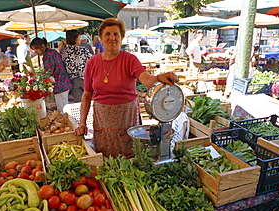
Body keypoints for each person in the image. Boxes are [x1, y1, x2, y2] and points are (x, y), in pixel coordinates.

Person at [74, 18, 179, 158]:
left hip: (127, 117)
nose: (112, 38)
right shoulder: (92, 62)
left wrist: (160, 77)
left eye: (116, 34)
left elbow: (147, 80)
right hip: (102, 119)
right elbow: (87, 94)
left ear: (122, 37)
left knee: (129, 157)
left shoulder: (130, 59)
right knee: (106, 159)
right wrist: (82, 123)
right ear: (101, 38)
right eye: (107, 34)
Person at [30, 37, 72, 111]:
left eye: (36, 49)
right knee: (64, 106)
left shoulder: (48, 55)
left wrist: (41, 79)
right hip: (64, 83)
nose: (35, 52)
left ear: (42, 46)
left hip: (60, 84)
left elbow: (48, 72)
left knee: (62, 108)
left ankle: (67, 121)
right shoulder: (52, 51)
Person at [60, 30, 92, 103]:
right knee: (88, 101)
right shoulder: (84, 50)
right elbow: (90, 63)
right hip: (85, 78)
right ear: (76, 39)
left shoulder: (64, 51)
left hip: (72, 79)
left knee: (78, 103)